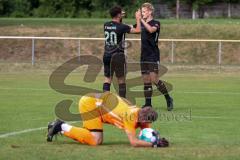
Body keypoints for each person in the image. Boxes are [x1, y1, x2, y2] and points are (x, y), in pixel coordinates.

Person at [47, 92, 169, 147]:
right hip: (90, 104)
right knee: (96, 140)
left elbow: (147, 131)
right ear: (144, 119)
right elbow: (133, 142)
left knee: (96, 139)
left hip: (99, 102)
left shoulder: (141, 114)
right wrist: (154, 145)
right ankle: (61, 126)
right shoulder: (131, 117)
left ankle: (60, 126)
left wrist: (157, 139)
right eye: (148, 122)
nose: (148, 124)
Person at [139, 3, 173, 111]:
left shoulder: (156, 23)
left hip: (153, 55)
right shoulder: (142, 24)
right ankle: (148, 104)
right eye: (142, 11)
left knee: (154, 79)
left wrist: (141, 20)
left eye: (144, 11)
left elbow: (151, 30)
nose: (142, 13)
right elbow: (134, 29)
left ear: (150, 12)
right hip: (143, 56)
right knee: (146, 80)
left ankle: (168, 98)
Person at [103, 6, 141, 98]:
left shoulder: (106, 24)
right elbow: (138, 30)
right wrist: (138, 19)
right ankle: (123, 102)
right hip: (117, 55)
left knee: (108, 78)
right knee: (121, 79)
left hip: (107, 54)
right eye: (121, 13)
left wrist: (120, 17)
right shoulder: (122, 27)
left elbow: (121, 26)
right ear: (118, 15)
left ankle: (104, 101)